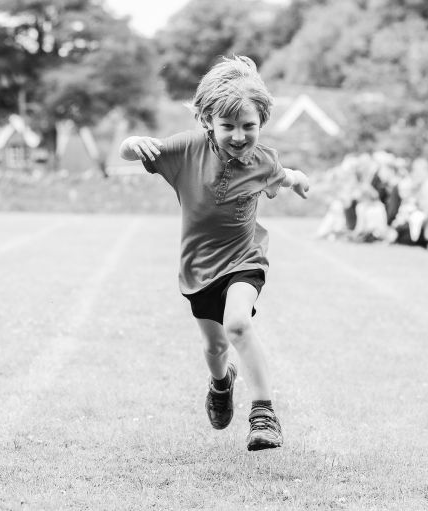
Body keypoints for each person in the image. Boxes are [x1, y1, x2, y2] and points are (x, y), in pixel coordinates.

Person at [118, 55, 309, 451]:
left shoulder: (263, 160)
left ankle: (264, 415)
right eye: (228, 127)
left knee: (237, 324)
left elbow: (282, 175)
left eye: (248, 126)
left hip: (245, 259)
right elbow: (128, 153)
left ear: (262, 122)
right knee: (215, 346)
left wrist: (299, 180)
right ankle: (222, 383)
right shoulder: (186, 150)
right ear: (207, 121)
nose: (239, 136)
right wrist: (130, 144)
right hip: (199, 269)